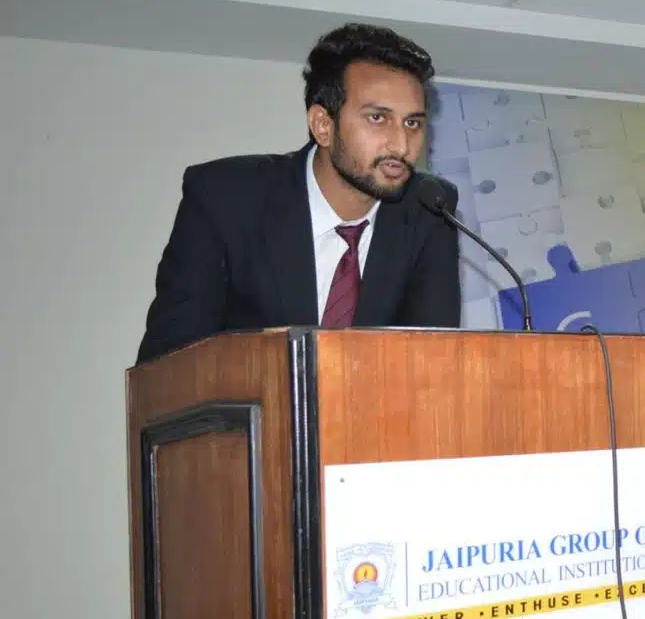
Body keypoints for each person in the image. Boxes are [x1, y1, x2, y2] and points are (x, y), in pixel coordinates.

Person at [135, 23, 462, 365]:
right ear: (323, 125)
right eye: (378, 118)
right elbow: (168, 366)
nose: (402, 145)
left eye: (412, 123)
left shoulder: (430, 209)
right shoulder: (226, 198)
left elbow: (433, 365)